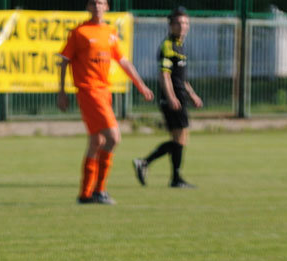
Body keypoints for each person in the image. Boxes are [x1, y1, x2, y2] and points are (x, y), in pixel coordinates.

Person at [58, 0, 154, 205]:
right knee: (113, 137)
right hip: (88, 90)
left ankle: (85, 194)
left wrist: (141, 85)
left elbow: (123, 61)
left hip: (104, 91)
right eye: (93, 3)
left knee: (97, 142)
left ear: (107, 7)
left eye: (101, 2)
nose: (97, 6)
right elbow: (64, 60)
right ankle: (100, 190)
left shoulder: (110, 31)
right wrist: (61, 92)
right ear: (87, 7)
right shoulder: (79, 32)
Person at [133, 6, 203, 188]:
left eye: (186, 23)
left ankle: (168, 174)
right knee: (181, 138)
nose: (182, 26)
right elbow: (164, 75)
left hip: (179, 96)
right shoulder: (168, 46)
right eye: (178, 23)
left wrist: (192, 94)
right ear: (171, 25)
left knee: (178, 139)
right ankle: (162, 171)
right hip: (173, 99)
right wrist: (172, 97)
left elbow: (180, 78)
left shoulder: (180, 46)